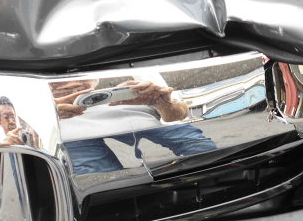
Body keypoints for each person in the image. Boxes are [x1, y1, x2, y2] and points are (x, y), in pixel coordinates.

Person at [50, 75, 217, 175]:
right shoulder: (43, 107)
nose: (70, 82)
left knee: (202, 149)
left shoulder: (131, 84)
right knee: (101, 179)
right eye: (56, 78)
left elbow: (180, 113)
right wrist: (50, 109)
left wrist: (160, 102)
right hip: (72, 137)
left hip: (142, 121)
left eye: (79, 74)